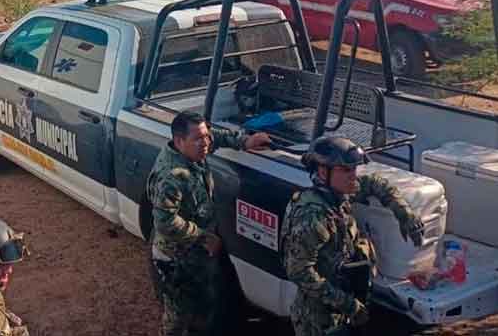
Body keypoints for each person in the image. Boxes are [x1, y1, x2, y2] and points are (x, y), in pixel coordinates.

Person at [281, 136, 426, 336]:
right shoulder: (312, 216)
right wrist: (348, 304)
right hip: (319, 320)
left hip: (343, 304)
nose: (353, 176)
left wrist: (404, 214)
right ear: (323, 172)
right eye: (346, 170)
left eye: (354, 169)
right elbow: (299, 273)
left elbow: (376, 183)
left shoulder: (339, 193)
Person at [147, 111, 271, 336]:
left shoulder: (193, 150)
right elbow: (165, 222)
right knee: (178, 316)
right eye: (198, 139)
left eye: (205, 136)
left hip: (198, 253)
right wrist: (203, 236)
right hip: (177, 259)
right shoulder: (172, 176)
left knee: (204, 306)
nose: (205, 143)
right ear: (179, 141)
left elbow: (217, 137)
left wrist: (245, 141)